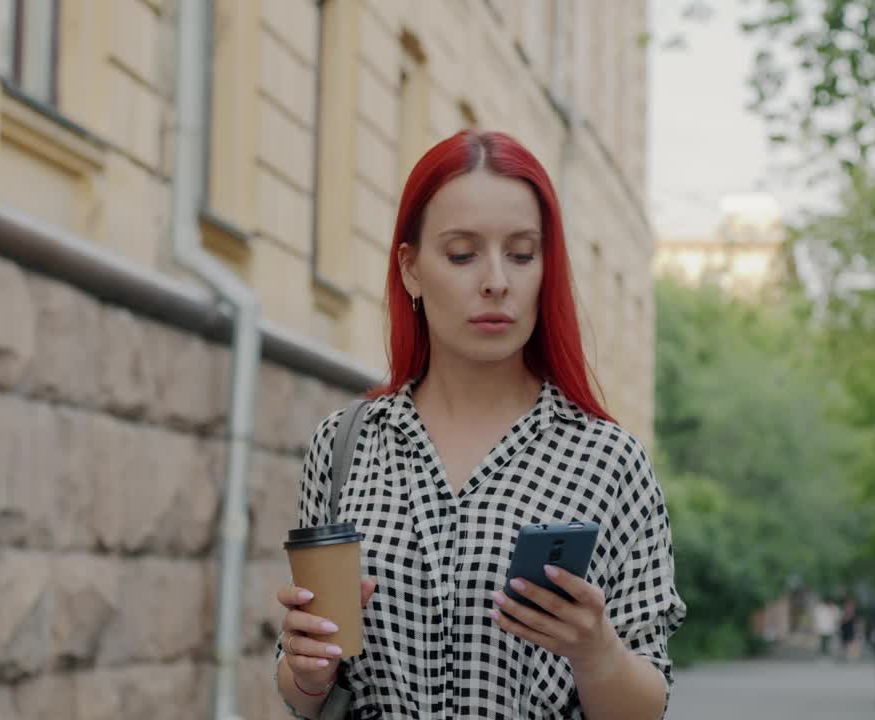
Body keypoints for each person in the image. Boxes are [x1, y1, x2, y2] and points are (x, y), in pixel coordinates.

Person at [272, 130, 687, 718]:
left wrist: (595, 650)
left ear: (547, 269)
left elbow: (647, 705)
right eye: (463, 254)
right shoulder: (344, 446)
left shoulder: (609, 461)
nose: (497, 280)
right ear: (411, 270)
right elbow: (302, 692)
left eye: (521, 254)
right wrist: (308, 668)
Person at [838, 598, 859, 662]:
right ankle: (846, 655)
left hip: (851, 629)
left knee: (851, 642)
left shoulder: (854, 613)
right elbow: (842, 621)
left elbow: (856, 622)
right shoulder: (843, 612)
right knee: (844, 643)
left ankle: (851, 655)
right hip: (845, 629)